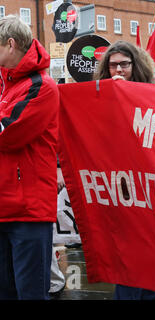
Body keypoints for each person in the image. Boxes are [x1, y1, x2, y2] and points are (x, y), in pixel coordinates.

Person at [93, 40, 155, 300]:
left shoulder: (152, 93)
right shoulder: (98, 97)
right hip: (119, 187)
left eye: (124, 64)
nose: (118, 70)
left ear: (135, 65)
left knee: (150, 253)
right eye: (113, 66)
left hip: (150, 186)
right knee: (128, 254)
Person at [0, 15, 59, 300]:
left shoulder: (42, 85)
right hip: (5, 206)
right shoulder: (6, 85)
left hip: (28, 210)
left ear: (10, 45)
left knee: (30, 294)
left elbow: (8, 133)